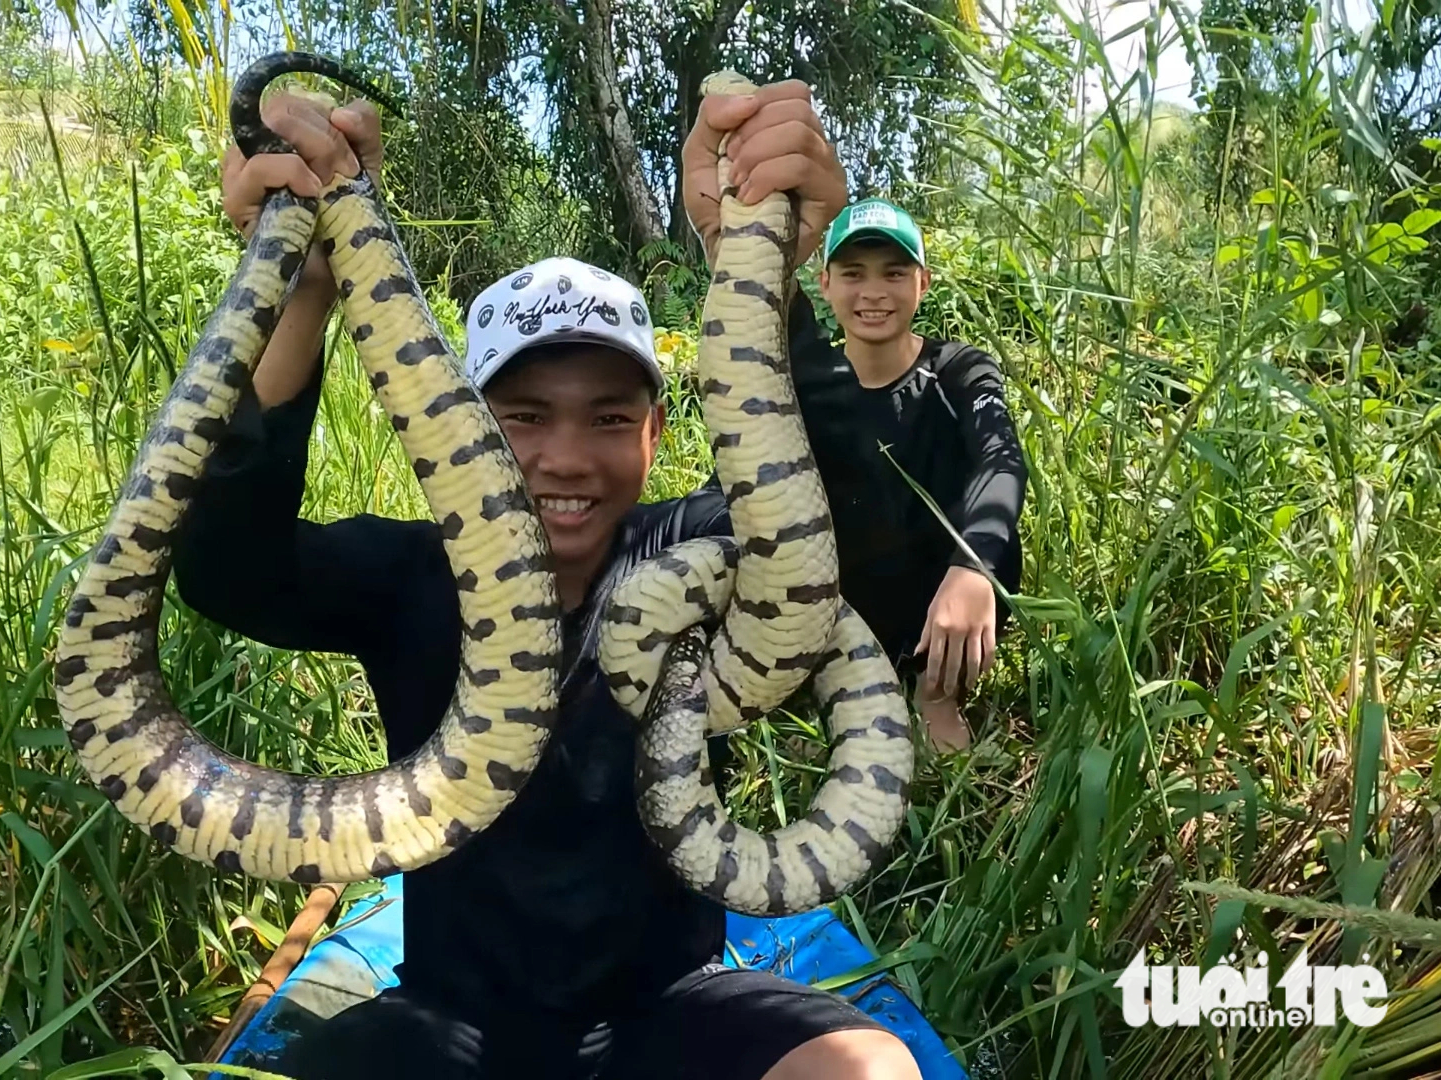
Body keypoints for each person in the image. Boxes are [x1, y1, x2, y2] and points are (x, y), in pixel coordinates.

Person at [173, 85, 925, 1079]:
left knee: (863, 1069)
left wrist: (768, 278)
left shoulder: (696, 551)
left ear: (657, 436)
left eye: (610, 418)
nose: (567, 456)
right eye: (524, 416)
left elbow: (857, 547)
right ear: (465, 430)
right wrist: (303, 286)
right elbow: (230, 571)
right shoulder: (408, 574)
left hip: (671, 1010)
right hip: (454, 1027)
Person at [769, 196, 1029, 751]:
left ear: (922, 282)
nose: (873, 292)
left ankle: (936, 689)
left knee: (996, 535)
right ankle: (827, 685)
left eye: (894, 272)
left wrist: (974, 566)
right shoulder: (810, 381)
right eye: (854, 274)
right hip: (840, 599)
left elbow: (1001, 459)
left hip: (941, 590)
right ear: (826, 283)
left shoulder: (958, 368)